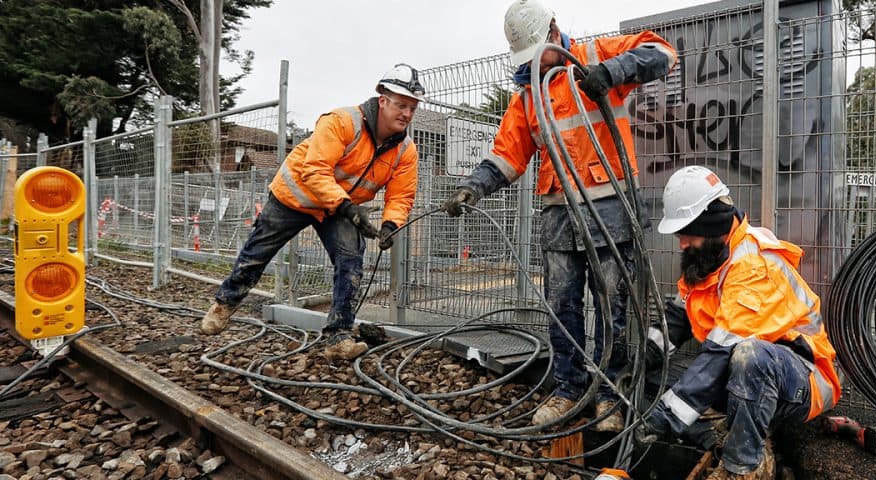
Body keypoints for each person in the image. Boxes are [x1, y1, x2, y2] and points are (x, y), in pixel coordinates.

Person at [442, 0, 677, 432]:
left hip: (611, 209)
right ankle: (568, 387)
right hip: (559, 215)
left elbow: (663, 52)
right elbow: (506, 155)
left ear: (553, 31)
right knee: (561, 305)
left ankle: (610, 394)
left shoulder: (594, 58)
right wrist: (472, 187)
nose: (533, 63)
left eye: (537, 52)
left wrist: (617, 71)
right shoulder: (528, 96)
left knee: (613, 307)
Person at [199, 64, 424, 361]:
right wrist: (348, 208)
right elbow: (315, 171)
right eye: (401, 105)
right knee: (257, 253)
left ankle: (338, 336)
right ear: (383, 100)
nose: (406, 114)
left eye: (412, 107)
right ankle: (224, 304)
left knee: (351, 260)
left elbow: (401, 195)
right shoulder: (342, 122)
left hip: (337, 209)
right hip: (294, 198)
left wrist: (390, 225)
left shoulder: (405, 151)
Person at [643, 165, 841, 479]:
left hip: (801, 377)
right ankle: (718, 436)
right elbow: (678, 318)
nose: (681, 243)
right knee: (652, 383)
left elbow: (722, 352)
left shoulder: (752, 267)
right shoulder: (710, 257)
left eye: (686, 233)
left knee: (749, 357)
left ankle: (744, 466)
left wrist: (665, 417)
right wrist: (644, 358)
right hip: (744, 372)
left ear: (710, 225)